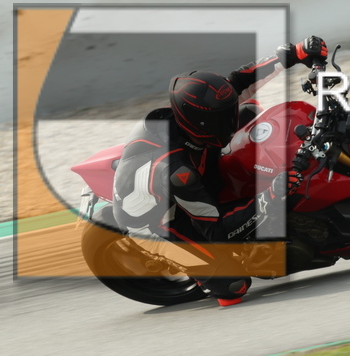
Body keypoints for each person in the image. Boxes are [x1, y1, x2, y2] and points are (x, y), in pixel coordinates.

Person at [112, 36, 328, 306]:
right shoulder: (178, 173)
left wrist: (294, 53)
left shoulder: (193, 113)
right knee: (234, 287)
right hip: (158, 225)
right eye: (224, 118)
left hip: (187, 171)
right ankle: (204, 274)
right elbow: (218, 233)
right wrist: (271, 195)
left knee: (250, 112)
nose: (231, 120)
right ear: (203, 123)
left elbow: (239, 81)